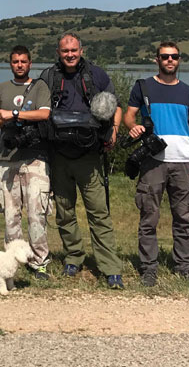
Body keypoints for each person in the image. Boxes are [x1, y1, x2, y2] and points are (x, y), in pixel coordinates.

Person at [40, 33, 124, 289]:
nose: (70, 54)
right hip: (59, 155)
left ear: (81, 50)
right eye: (65, 51)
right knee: (65, 214)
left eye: (74, 50)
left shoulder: (96, 75)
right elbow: (31, 101)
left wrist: (114, 130)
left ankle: (110, 268)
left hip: (89, 157)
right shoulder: (48, 77)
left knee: (99, 213)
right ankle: (73, 257)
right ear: (58, 52)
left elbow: (115, 106)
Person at [123, 41, 189, 287]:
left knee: (184, 218)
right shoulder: (143, 87)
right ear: (156, 59)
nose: (170, 60)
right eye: (165, 56)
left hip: (183, 162)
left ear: (179, 60)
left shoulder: (188, 92)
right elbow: (129, 114)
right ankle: (149, 269)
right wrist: (132, 126)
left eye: (174, 57)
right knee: (149, 217)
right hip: (153, 162)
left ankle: (184, 267)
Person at [0, 46, 52, 281]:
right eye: (15, 61)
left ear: (30, 63)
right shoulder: (2, 89)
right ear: (10, 64)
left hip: (36, 159)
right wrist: (1, 116)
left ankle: (39, 262)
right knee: (11, 215)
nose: (19, 65)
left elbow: (44, 114)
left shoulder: (40, 87)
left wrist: (14, 114)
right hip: (7, 159)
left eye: (23, 61)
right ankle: (11, 262)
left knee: (37, 213)